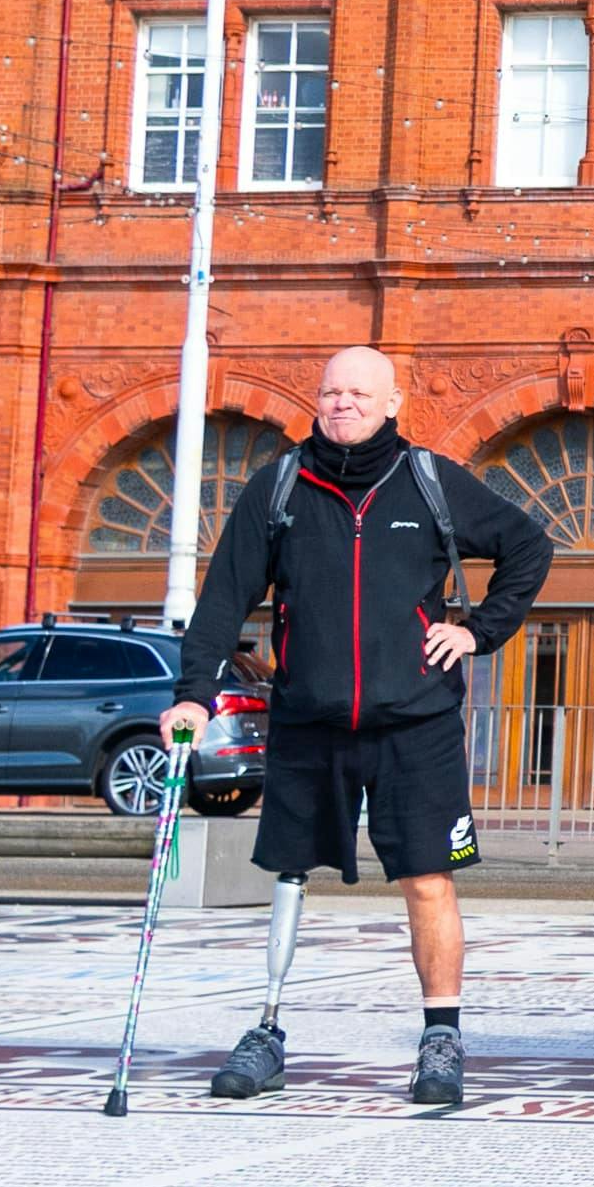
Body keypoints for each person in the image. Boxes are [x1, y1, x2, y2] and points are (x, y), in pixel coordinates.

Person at [164, 343, 552, 1111]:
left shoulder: (430, 481)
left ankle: (441, 1036)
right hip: (309, 720)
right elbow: (222, 599)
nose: (343, 404)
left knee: (427, 882)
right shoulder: (279, 487)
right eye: (332, 392)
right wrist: (193, 693)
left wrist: (478, 630)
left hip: (417, 722)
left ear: (392, 401)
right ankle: (267, 1030)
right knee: (288, 874)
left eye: (359, 394)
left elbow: (529, 546)